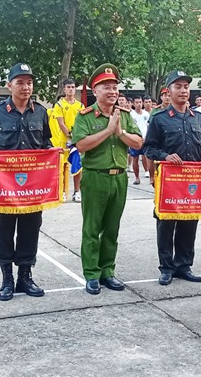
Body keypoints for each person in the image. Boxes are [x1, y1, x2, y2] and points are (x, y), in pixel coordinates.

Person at [0, 63, 52, 301]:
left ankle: (25, 277)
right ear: (9, 85)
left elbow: (46, 143)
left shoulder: (40, 112)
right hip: (4, 187)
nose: (25, 87)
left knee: (30, 229)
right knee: (2, 229)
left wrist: (54, 153)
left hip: (32, 187)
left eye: (29, 82)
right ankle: (7, 279)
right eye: (20, 82)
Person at [72, 64, 143, 295]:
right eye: (106, 88)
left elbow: (139, 142)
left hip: (119, 178)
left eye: (114, 87)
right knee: (92, 228)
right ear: (95, 91)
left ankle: (107, 271)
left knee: (112, 229)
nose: (112, 92)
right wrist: (108, 130)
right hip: (95, 178)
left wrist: (120, 132)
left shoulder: (124, 115)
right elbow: (81, 145)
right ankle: (92, 274)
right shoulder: (84, 116)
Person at [144, 70, 201, 285]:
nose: (183, 90)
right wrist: (165, 155)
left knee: (189, 222)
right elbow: (149, 148)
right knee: (166, 223)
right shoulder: (160, 118)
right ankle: (166, 267)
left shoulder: (198, 117)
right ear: (168, 91)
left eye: (186, 87)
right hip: (169, 182)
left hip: (193, 180)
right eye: (178, 86)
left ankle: (184, 265)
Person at [50, 78, 84, 201]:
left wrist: (77, 136)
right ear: (64, 89)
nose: (71, 89)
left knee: (77, 166)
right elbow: (61, 123)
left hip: (77, 141)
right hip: (64, 141)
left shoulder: (80, 105)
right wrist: (70, 135)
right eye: (68, 87)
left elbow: (82, 123)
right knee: (63, 167)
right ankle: (63, 192)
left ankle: (77, 191)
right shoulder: (59, 105)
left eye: (73, 87)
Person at [129, 96, 150, 184]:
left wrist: (147, 137)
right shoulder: (131, 115)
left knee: (146, 157)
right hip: (135, 139)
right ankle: (137, 178)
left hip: (145, 139)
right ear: (133, 104)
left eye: (140, 102)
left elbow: (149, 126)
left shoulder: (146, 114)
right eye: (137, 102)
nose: (139, 104)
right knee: (135, 158)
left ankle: (148, 173)